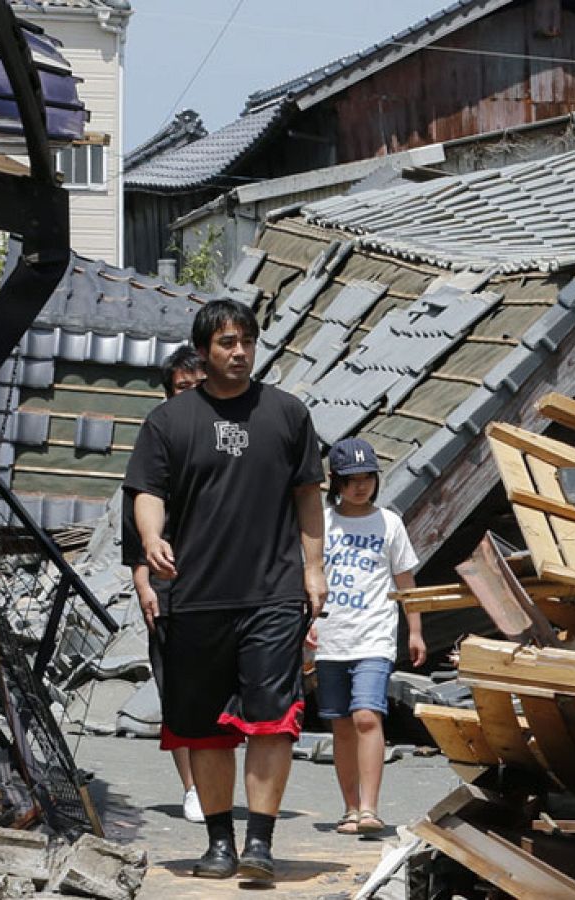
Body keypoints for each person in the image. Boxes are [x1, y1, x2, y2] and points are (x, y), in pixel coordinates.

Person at [124, 300, 326, 881]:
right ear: (204, 350)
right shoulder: (169, 421)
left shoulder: (288, 414)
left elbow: (308, 494)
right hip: (195, 595)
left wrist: (314, 570)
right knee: (204, 727)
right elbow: (147, 490)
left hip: (273, 592)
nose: (239, 352)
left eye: (247, 342)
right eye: (226, 343)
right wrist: (151, 537)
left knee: (271, 719)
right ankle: (219, 843)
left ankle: (259, 843)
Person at [312, 437, 425, 836]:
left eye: (367, 478)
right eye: (351, 479)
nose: (360, 486)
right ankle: (349, 807)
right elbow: (301, 577)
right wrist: (301, 623)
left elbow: (405, 582)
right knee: (341, 724)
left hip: (374, 636)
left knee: (366, 716)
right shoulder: (320, 524)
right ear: (335, 481)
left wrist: (415, 630)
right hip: (329, 638)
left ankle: (370, 808)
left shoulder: (389, 523)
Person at [122, 346, 206, 822]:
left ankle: (215, 779)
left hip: (218, 582)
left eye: (198, 386)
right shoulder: (155, 439)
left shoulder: (223, 437)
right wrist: (143, 584)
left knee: (217, 688)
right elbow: (133, 527)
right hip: (168, 584)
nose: (190, 396)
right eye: (182, 388)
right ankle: (192, 787)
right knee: (177, 687)